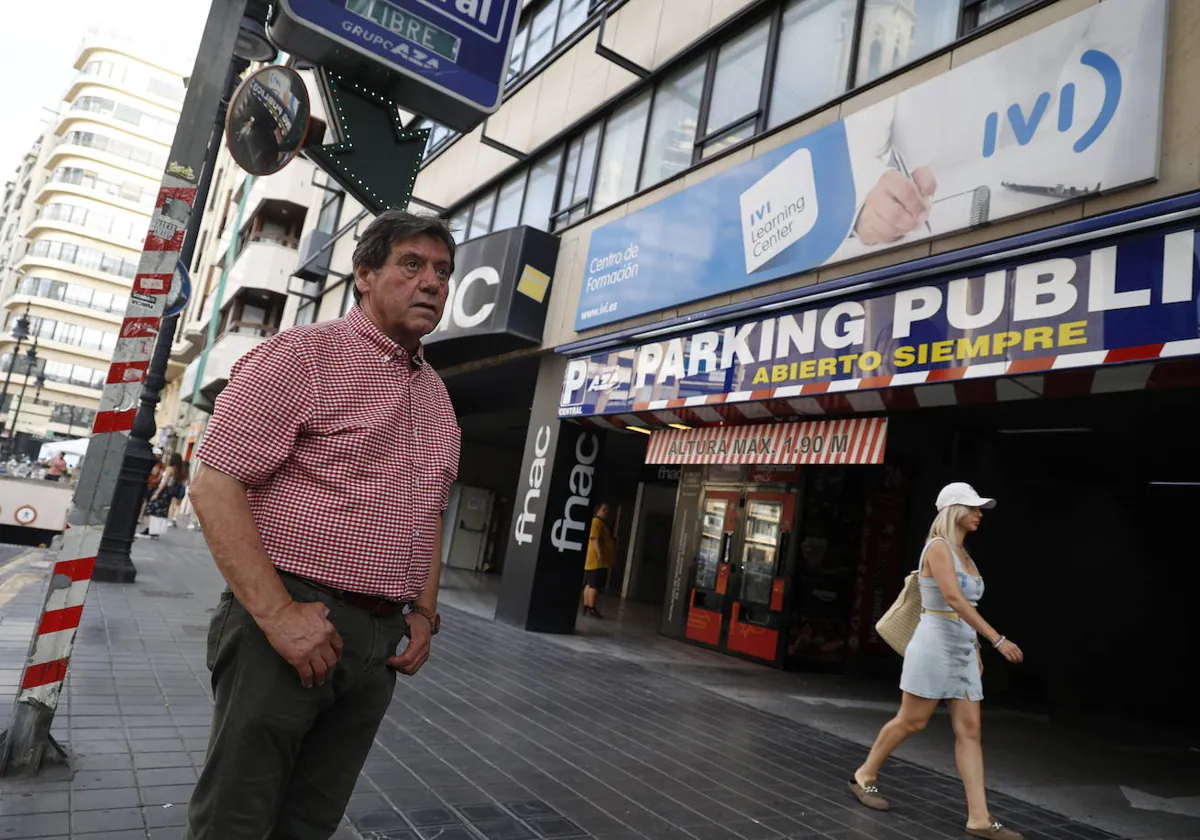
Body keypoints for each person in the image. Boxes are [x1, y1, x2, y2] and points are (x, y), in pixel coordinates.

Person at [183, 211, 460, 840]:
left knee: (310, 823)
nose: (432, 283)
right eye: (412, 265)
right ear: (364, 275)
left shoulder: (438, 396)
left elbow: (429, 513)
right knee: (236, 820)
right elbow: (215, 485)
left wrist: (423, 612)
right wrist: (279, 616)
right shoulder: (303, 357)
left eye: (442, 271)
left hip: (378, 645)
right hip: (287, 619)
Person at [848, 482, 1025, 840]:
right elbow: (954, 600)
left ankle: (979, 818)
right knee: (912, 721)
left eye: (980, 509)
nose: (979, 514)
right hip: (933, 643)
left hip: (961, 647)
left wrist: (974, 647)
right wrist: (997, 639)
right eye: (974, 508)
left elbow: (967, 608)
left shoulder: (964, 552)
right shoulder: (939, 547)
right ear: (954, 511)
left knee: (970, 732)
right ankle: (864, 774)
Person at [141, 453, 187, 538]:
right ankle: (155, 531)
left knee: (153, 509)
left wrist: (157, 493)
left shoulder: (169, 469)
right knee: (161, 512)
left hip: (163, 492)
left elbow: (164, 482)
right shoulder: (178, 470)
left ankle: (150, 530)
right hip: (168, 494)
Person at [582, 502, 615, 619]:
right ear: (598, 511)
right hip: (596, 560)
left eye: (607, 510)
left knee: (589, 583)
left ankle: (586, 605)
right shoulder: (596, 522)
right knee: (594, 585)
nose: (606, 512)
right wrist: (600, 553)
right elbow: (594, 538)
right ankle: (591, 607)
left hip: (592, 559)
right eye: (604, 510)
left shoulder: (600, 523)